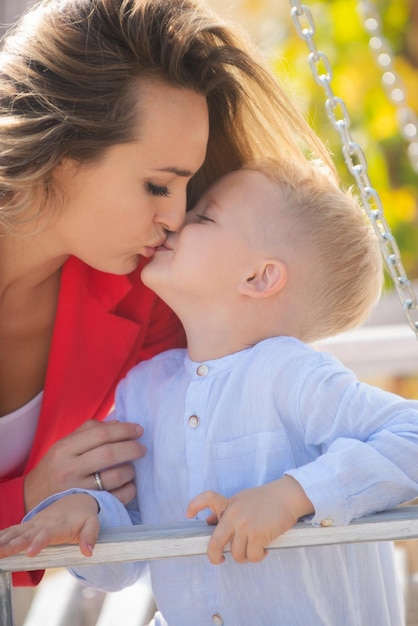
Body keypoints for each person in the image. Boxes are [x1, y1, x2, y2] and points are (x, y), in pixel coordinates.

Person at [0, 0, 334, 587]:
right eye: (157, 185)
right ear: (62, 149)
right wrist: (24, 499)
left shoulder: (150, 297)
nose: (177, 218)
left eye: (186, 189)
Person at [2, 159, 418, 626]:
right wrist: (88, 514)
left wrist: (292, 496)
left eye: (204, 217)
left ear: (258, 278)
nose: (177, 220)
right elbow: (127, 560)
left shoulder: (289, 373)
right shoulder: (144, 390)